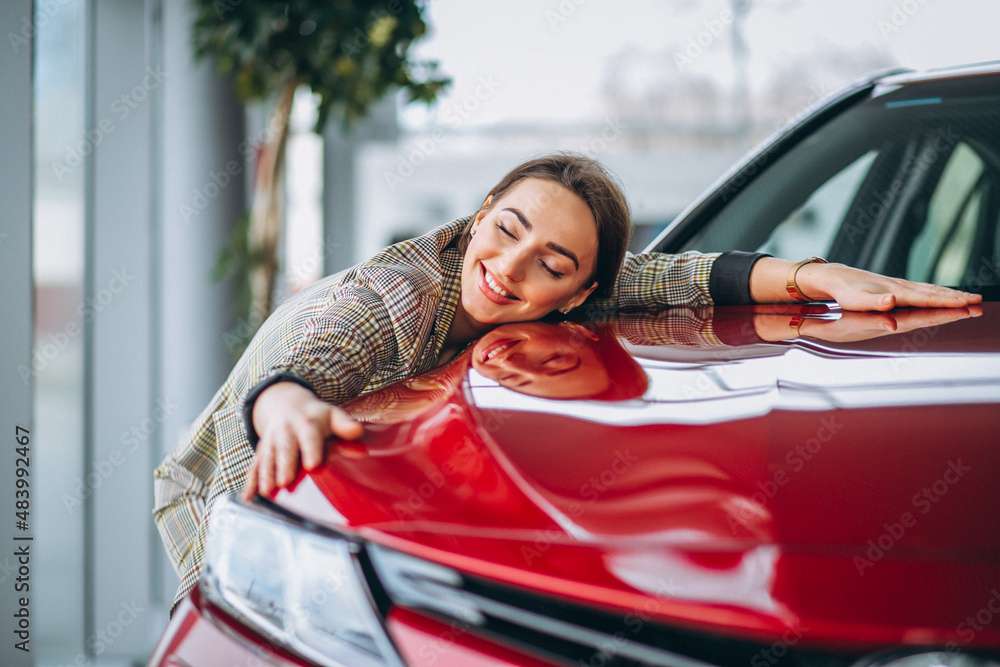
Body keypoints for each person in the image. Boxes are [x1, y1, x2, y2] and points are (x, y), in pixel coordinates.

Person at [152, 152, 981, 616]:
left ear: (582, 291)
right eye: (506, 230)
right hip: (228, 481)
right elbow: (317, 348)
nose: (511, 268)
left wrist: (815, 275)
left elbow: (676, 279)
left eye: (551, 263)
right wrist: (287, 400)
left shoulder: (593, 290)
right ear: (481, 213)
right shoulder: (392, 297)